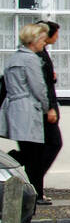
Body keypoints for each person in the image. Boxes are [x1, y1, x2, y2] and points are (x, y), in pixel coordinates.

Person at [0, 24, 50, 201]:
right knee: (35, 155)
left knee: (29, 152)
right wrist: (46, 107)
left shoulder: (13, 59)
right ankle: (34, 193)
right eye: (43, 40)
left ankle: (33, 191)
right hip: (28, 109)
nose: (44, 44)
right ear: (34, 41)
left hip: (14, 108)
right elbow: (38, 87)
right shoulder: (31, 60)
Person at [30, 21, 63, 205]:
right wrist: (49, 108)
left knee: (44, 149)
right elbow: (40, 86)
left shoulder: (42, 55)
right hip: (44, 109)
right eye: (55, 34)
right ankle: (32, 181)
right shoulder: (38, 56)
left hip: (47, 106)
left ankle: (37, 190)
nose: (57, 37)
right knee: (53, 144)